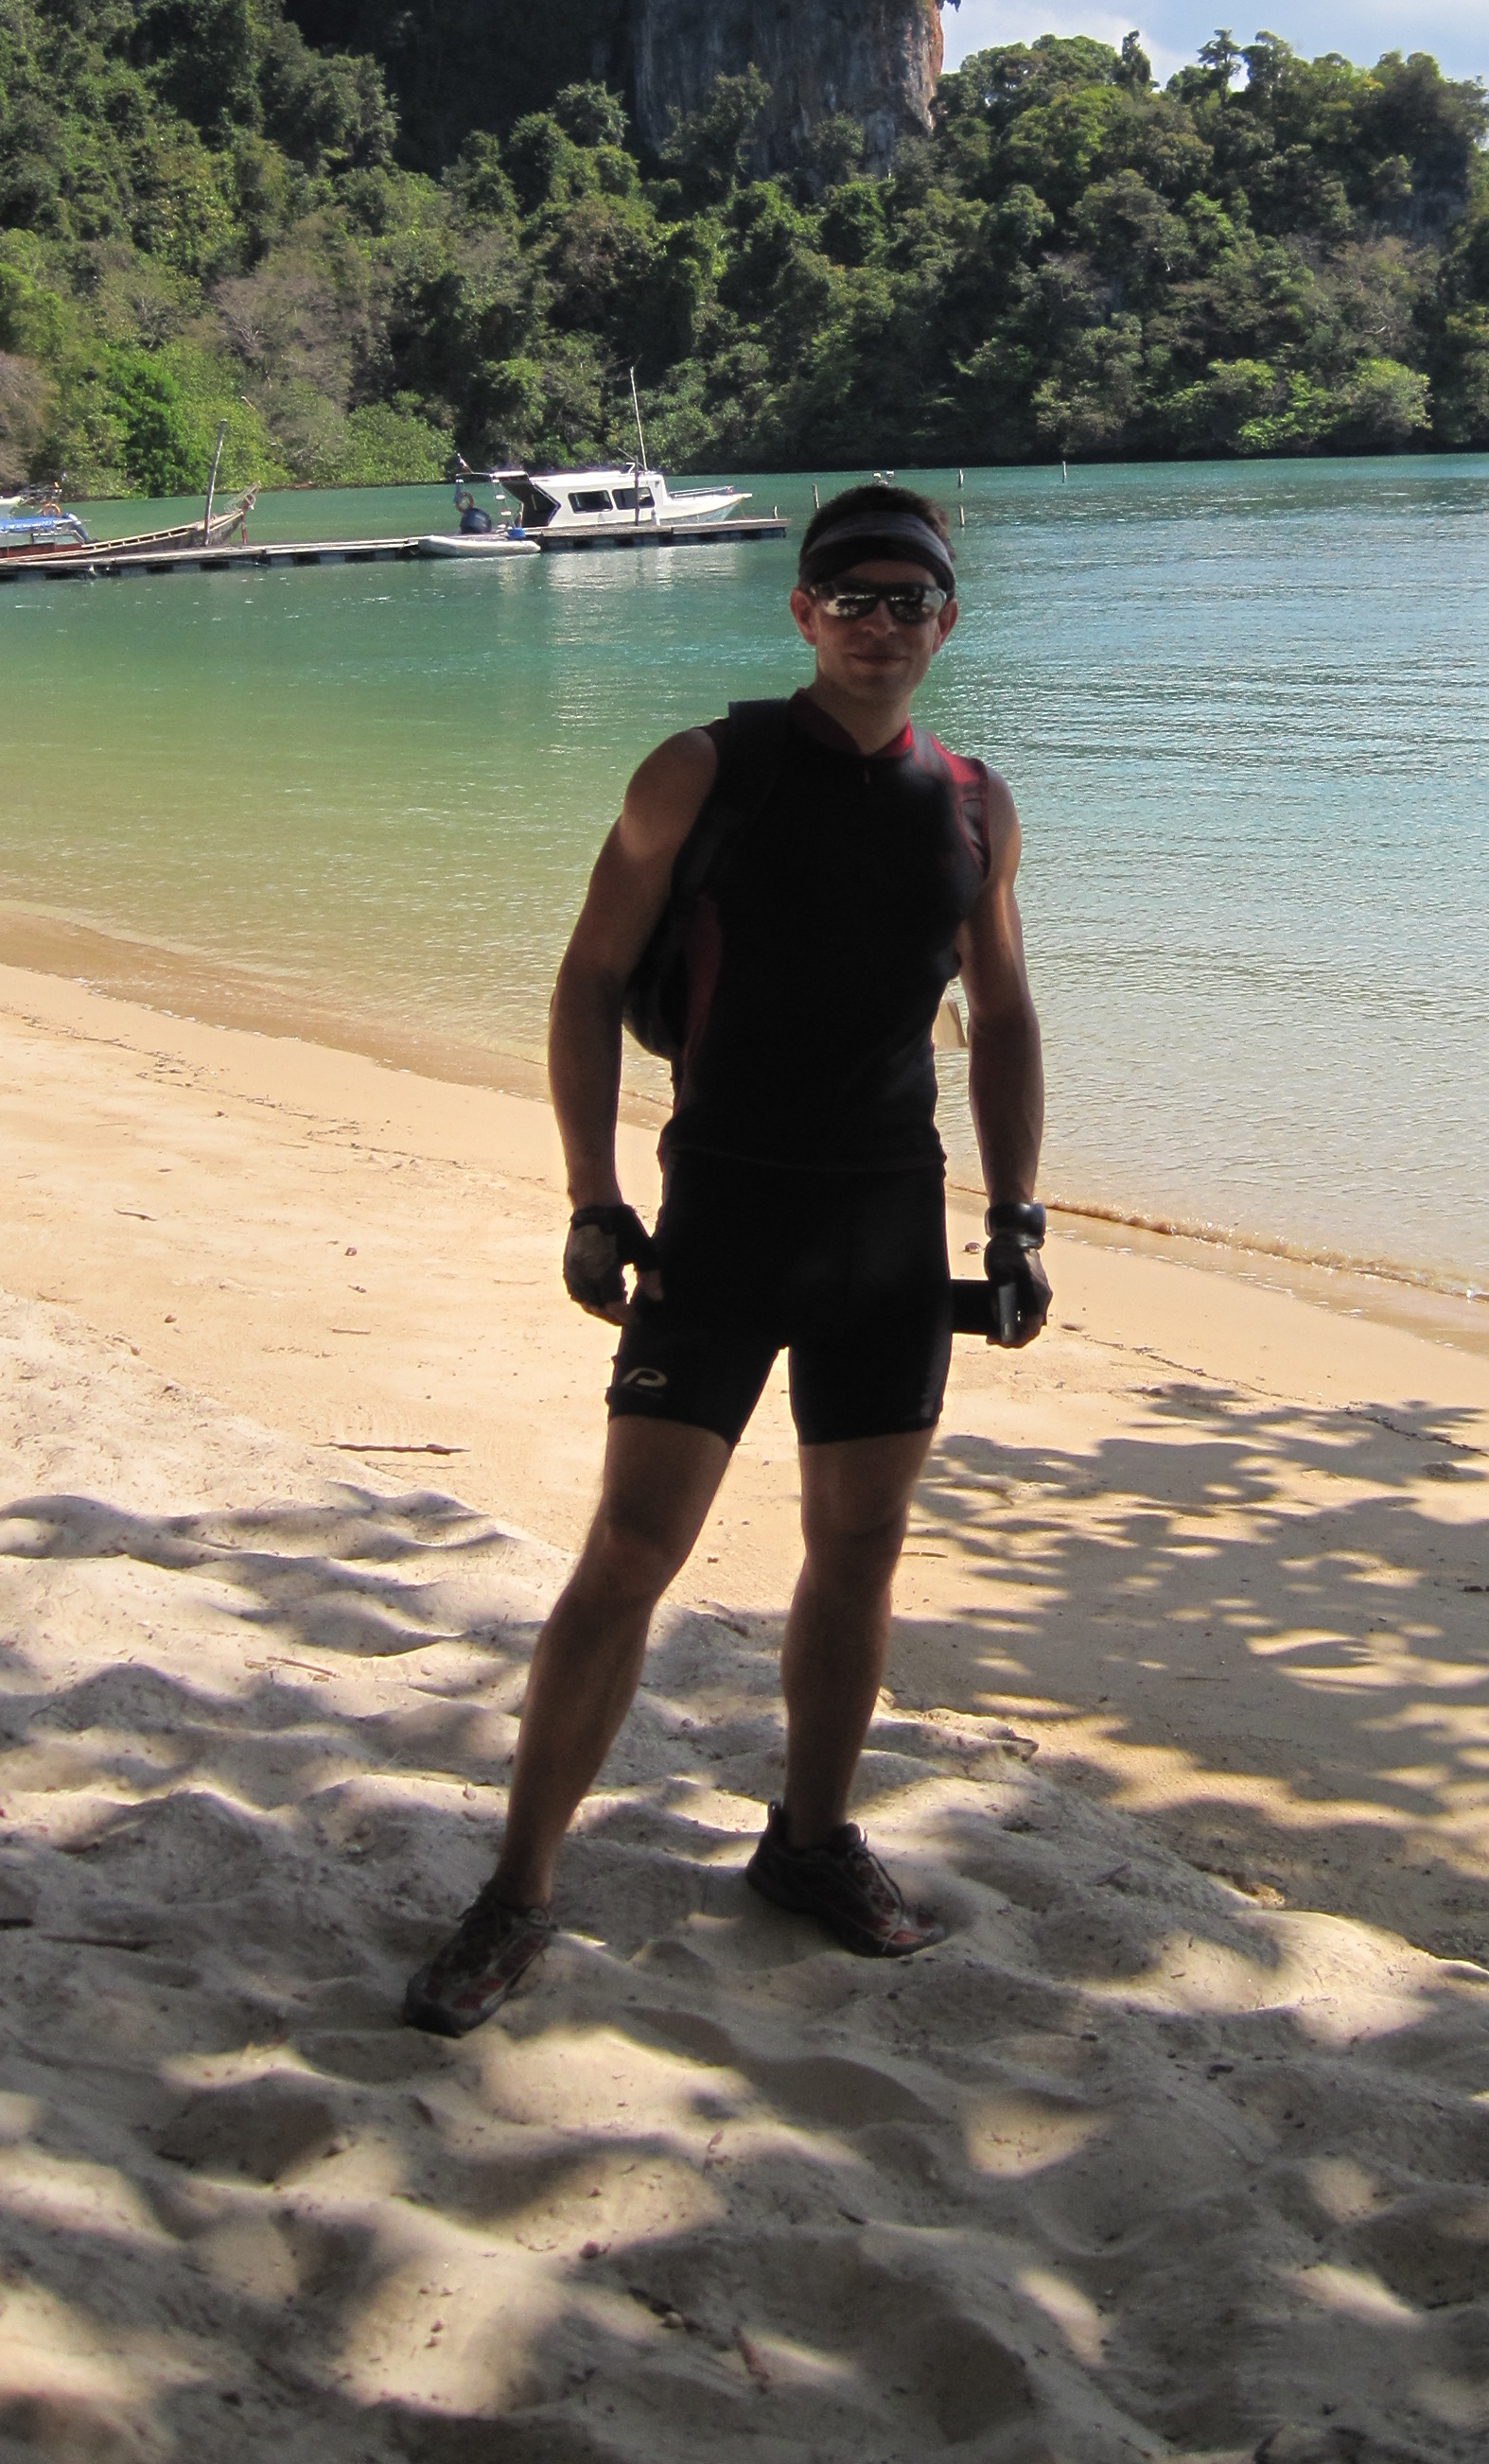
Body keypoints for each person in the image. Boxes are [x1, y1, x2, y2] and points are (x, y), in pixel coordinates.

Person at [404, 480, 1048, 2036]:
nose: (883, 624)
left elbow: (1004, 1017)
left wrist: (1016, 1218)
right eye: (855, 598)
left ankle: (810, 1842)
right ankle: (519, 1890)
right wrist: (590, 1193)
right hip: (725, 1212)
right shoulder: (707, 769)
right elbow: (587, 980)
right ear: (803, 614)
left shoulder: (974, 802)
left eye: (911, 600)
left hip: (888, 1220)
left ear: (947, 622)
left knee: (861, 1544)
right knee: (633, 1551)